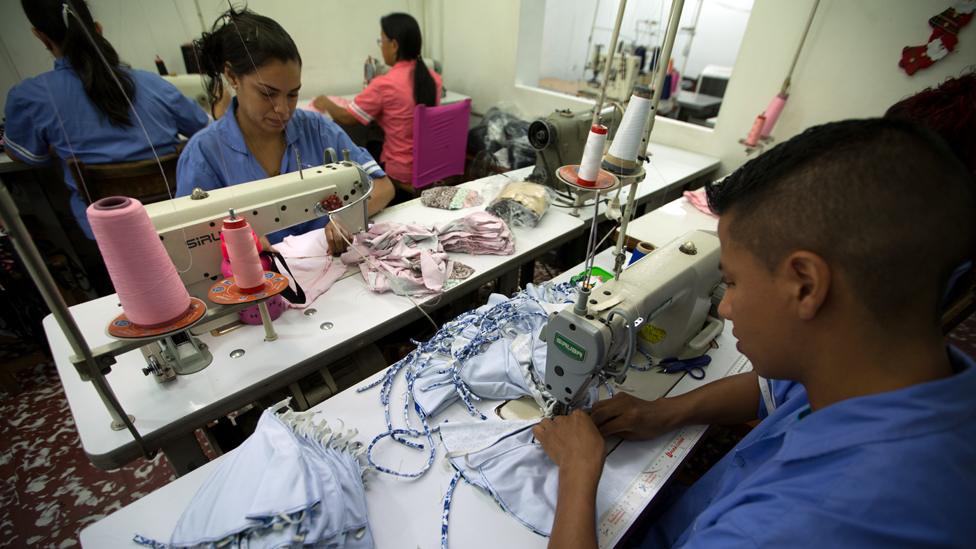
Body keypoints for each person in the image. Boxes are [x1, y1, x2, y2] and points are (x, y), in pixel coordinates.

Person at [532, 119, 976, 548]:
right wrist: (664, 412)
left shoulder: (794, 525)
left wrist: (577, 474)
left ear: (804, 285)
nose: (724, 306)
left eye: (734, 282)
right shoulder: (890, 375)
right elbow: (770, 390)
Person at [4, 0, 209, 292]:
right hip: (176, 218)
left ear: (40, 36)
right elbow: (201, 130)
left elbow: (26, 155)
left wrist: (56, 147)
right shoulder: (153, 84)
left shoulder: (31, 97)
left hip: (110, 235)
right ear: (98, 30)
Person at [177, 8, 394, 252]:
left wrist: (346, 218)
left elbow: (383, 186)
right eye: (267, 93)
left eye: (293, 94)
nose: (282, 109)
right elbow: (189, 239)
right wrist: (239, 245)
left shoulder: (318, 129)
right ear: (232, 76)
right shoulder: (204, 154)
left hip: (332, 266)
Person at [313, 12, 442, 201]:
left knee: (368, 145)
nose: (381, 47)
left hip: (401, 171)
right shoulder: (433, 78)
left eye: (381, 41)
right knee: (375, 140)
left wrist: (325, 102)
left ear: (394, 45)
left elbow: (347, 118)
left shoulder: (385, 84)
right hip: (429, 165)